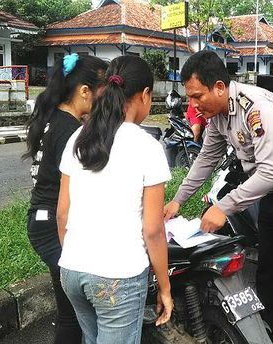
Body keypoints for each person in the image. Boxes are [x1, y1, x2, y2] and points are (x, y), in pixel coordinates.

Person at [163, 50, 273, 344]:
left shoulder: (256, 108)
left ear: (219, 87)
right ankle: (262, 338)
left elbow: (271, 172)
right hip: (272, 196)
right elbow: (205, 160)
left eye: (197, 96)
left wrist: (223, 208)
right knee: (266, 277)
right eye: (189, 98)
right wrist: (178, 200)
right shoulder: (219, 116)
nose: (193, 105)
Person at [56, 55, 173, 343]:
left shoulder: (78, 139)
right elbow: (153, 230)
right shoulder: (147, 146)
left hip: (72, 270)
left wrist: (79, 255)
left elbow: (62, 214)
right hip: (117, 277)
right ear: (145, 95)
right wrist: (165, 288)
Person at [22, 53, 108, 344]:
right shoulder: (72, 131)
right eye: (103, 94)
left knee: (71, 309)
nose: (105, 102)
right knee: (74, 314)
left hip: (41, 221)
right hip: (55, 227)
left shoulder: (51, 119)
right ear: (85, 92)